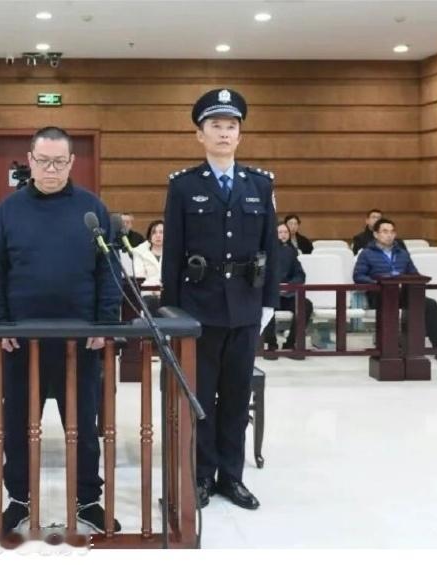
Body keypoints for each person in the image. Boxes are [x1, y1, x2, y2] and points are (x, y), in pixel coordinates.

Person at [0, 126, 122, 534]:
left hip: (81, 341)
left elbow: (109, 271)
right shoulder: (8, 211)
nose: (51, 169)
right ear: (30, 160)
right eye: (43, 161)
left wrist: (105, 323)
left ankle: (88, 500)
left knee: (85, 426)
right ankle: (20, 499)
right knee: (19, 426)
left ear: (72, 162)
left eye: (60, 161)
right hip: (22, 342)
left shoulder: (91, 209)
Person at [160, 88, 278, 511]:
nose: (224, 133)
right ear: (200, 134)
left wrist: (269, 303)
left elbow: (270, 247)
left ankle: (232, 477)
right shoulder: (183, 186)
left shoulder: (259, 184)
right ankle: (201, 475)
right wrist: (172, 311)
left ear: (239, 135)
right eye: (216, 126)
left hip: (245, 306)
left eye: (231, 126)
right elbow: (173, 254)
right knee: (201, 397)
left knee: (236, 397)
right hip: (199, 307)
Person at [353, 218, 437, 348]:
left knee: (430, 304)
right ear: (376, 234)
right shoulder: (366, 253)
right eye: (385, 231)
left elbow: (414, 274)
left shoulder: (402, 254)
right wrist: (378, 282)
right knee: (389, 302)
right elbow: (358, 276)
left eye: (392, 232)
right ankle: (391, 344)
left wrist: (416, 280)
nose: (389, 235)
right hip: (379, 293)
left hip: (402, 292)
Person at [262, 223, 314, 354]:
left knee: (306, 305)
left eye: (286, 232)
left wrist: (289, 286)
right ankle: (271, 345)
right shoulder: (264, 251)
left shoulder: (290, 252)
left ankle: (291, 343)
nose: (283, 235)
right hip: (270, 294)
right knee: (265, 306)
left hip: (287, 295)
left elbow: (300, 275)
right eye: (280, 232)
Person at [132, 220, 164, 308]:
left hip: (168, 293)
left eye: (161, 232)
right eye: (154, 232)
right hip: (147, 294)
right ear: (149, 235)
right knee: (152, 301)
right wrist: (155, 289)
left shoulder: (173, 253)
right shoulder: (139, 253)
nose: (158, 235)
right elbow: (139, 278)